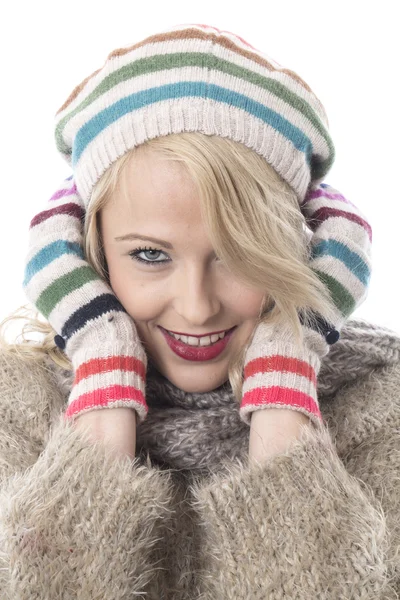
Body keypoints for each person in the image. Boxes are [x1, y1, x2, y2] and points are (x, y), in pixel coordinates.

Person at [0, 22, 398, 598]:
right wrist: (101, 400)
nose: (197, 306)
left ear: (303, 251)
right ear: (86, 254)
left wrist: (286, 401)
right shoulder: (15, 407)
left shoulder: (386, 409)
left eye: (238, 255)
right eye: (149, 255)